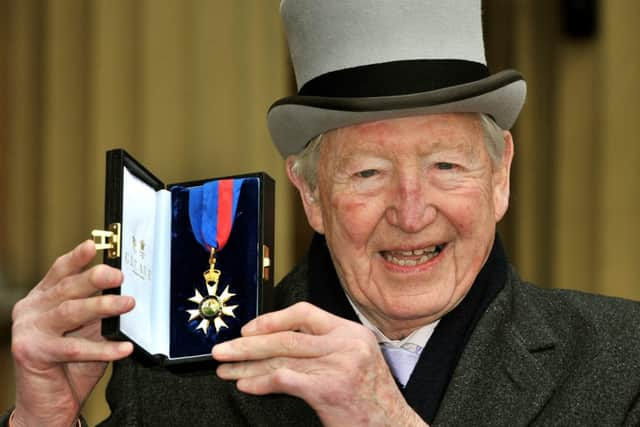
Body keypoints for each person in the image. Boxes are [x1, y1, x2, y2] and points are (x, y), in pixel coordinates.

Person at [5, 1, 640, 426]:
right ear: (311, 195)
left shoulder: (624, 363)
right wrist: (43, 418)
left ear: (500, 174)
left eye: (447, 166)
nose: (412, 212)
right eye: (368, 173)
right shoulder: (180, 385)